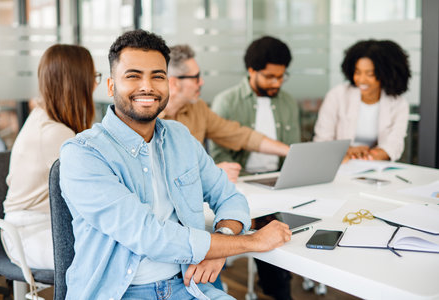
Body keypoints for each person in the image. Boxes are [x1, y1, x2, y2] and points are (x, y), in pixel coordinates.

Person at [59, 29, 292, 299]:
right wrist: (249, 242)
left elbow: (228, 196)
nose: (147, 86)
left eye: (157, 76)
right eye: (133, 76)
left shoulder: (180, 137)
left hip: (190, 285)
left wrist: (224, 242)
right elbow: (149, 236)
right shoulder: (83, 153)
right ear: (111, 86)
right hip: (121, 292)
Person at [211, 36, 300, 300]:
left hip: (281, 183)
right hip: (245, 185)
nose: (277, 83)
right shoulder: (226, 101)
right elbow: (219, 158)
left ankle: (278, 280)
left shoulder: (287, 102)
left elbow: (292, 150)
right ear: (252, 71)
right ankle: (279, 289)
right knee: (268, 224)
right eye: (270, 77)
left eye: (281, 77)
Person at [2, 44, 97, 269]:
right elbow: (89, 189)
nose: (95, 84)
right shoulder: (54, 133)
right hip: (29, 234)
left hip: (42, 225)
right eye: (93, 76)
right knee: (103, 255)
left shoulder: (44, 118)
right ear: (77, 83)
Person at [159, 44, 290, 183]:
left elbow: (238, 134)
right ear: (173, 83)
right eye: (196, 77)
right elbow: (158, 173)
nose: (202, 82)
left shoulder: (198, 108)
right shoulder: (147, 117)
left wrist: (288, 151)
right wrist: (211, 172)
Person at [313, 39, 411, 161]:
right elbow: (322, 141)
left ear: (386, 74)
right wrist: (349, 151)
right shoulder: (337, 95)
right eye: (357, 72)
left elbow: (394, 144)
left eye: (370, 74)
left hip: (374, 166)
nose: (361, 80)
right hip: (338, 164)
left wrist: (369, 155)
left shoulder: (398, 103)